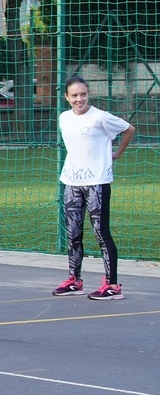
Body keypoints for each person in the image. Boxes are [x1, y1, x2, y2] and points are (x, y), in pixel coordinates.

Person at [55, 76, 135, 300]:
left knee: (101, 233)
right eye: (74, 95)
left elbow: (129, 129)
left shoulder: (101, 117)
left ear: (88, 94)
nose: (79, 99)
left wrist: (117, 153)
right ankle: (74, 281)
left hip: (97, 182)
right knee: (73, 233)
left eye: (83, 94)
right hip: (72, 183)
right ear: (66, 97)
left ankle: (112, 286)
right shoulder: (64, 118)